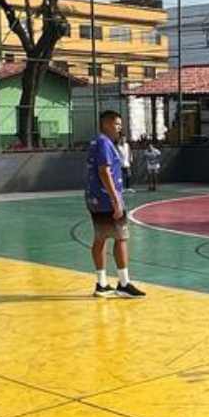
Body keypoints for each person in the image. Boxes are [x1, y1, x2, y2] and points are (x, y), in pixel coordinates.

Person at [86, 111, 145, 298]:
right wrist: (115, 199)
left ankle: (102, 283)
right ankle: (124, 283)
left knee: (101, 238)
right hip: (106, 199)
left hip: (95, 198)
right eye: (117, 124)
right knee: (121, 238)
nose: (120, 127)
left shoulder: (97, 142)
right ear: (106, 124)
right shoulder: (104, 143)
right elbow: (104, 171)